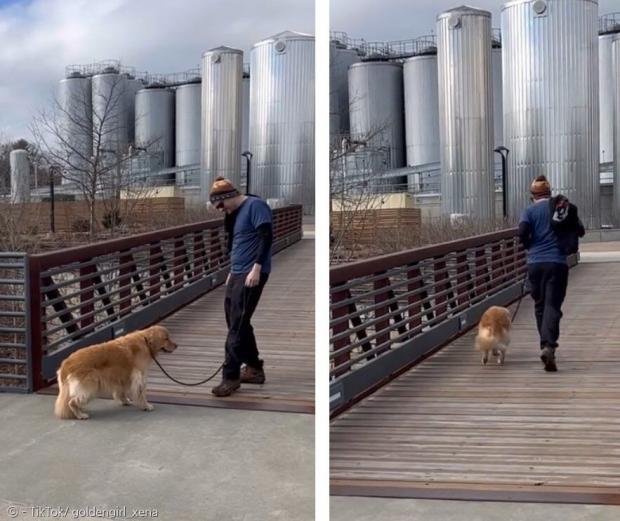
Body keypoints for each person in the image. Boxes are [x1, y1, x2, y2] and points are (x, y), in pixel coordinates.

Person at [209, 176, 273, 396]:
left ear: (229, 197)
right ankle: (254, 368)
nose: (220, 209)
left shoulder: (256, 206)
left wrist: (256, 268)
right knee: (236, 321)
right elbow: (237, 243)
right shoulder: (234, 213)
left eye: (220, 204)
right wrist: (232, 271)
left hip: (252, 273)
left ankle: (230, 377)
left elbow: (266, 237)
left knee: (237, 323)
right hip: (237, 273)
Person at [518, 175, 584, 372]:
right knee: (552, 305)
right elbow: (579, 229)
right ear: (549, 193)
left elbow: (521, 232)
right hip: (557, 263)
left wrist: (529, 245)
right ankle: (549, 346)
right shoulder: (560, 209)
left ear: (533, 195)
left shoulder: (528, 211)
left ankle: (544, 344)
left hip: (535, 264)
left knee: (539, 306)